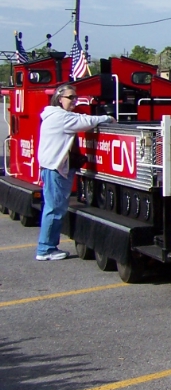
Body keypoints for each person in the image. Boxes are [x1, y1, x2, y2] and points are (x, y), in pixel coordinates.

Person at [35, 83, 113, 261]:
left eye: (75, 97)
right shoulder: (61, 118)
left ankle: (47, 247)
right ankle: (46, 249)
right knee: (54, 209)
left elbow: (78, 117)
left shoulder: (53, 115)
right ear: (59, 98)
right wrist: (107, 118)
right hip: (55, 169)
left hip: (50, 167)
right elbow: (85, 121)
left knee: (53, 207)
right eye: (70, 97)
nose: (74, 101)